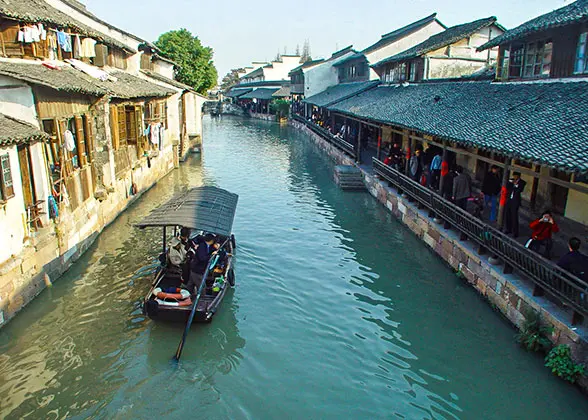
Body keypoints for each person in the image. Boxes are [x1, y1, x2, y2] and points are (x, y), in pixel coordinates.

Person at [504, 172, 526, 237]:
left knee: (514, 216)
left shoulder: (522, 182)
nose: (515, 177)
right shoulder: (511, 180)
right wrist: (512, 183)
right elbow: (507, 187)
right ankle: (508, 229)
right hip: (509, 200)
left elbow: (520, 190)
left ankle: (515, 232)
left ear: (519, 176)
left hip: (515, 201)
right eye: (514, 176)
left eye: (516, 176)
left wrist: (515, 185)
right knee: (507, 215)